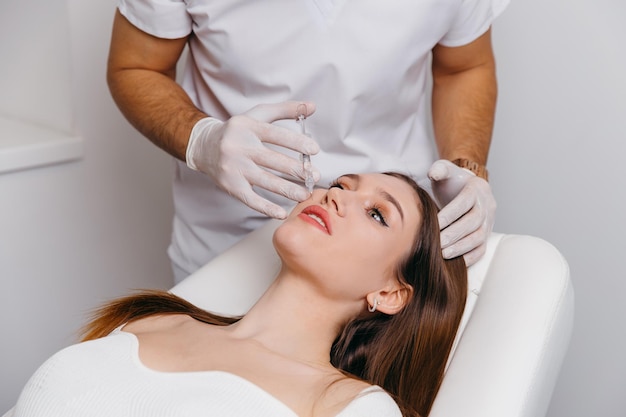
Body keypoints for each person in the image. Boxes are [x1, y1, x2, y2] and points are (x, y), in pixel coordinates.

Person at [106, 0, 506, 282]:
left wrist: (468, 168)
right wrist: (202, 140)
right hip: (224, 245)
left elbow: (463, 67)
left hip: (384, 258)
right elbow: (137, 64)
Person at [8, 172, 467, 417]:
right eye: (341, 184)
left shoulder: (346, 407)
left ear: (389, 293)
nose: (335, 197)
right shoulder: (150, 318)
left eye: (377, 214)